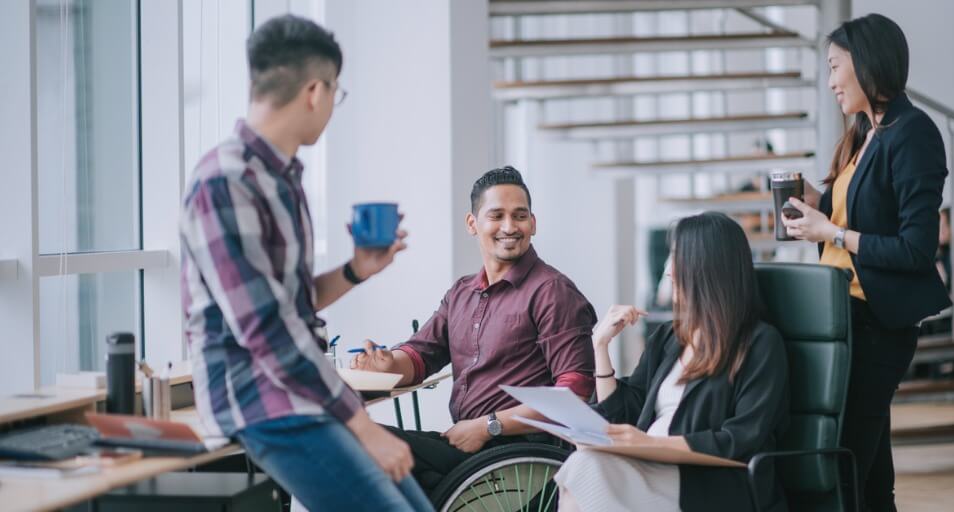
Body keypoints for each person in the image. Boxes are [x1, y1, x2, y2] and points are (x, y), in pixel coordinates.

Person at [179, 15, 431, 512]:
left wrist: (357, 270)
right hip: (263, 403)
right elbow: (266, 329)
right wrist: (362, 425)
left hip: (300, 396)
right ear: (316, 90)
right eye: (336, 93)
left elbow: (289, 302)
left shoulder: (281, 180)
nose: (333, 106)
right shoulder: (225, 182)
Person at [781, 13, 950, 511]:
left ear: (867, 62)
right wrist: (817, 201)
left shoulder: (913, 133)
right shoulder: (864, 133)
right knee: (868, 462)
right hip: (844, 316)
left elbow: (917, 249)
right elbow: (853, 211)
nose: (831, 81)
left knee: (847, 454)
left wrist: (831, 232)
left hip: (876, 324)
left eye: (835, 67)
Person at [350, 166, 598, 494]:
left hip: (514, 453)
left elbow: (575, 395)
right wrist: (388, 364)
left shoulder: (551, 291)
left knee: (359, 441)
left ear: (533, 223)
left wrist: (489, 426)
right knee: (353, 440)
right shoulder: (461, 293)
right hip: (467, 446)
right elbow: (421, 354)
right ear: (473, 224)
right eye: (496, 215)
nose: (509, 227)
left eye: (519, 216)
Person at [554, 212, 790, 512]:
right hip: (648, 466)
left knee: (584, 471)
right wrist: (600, 347)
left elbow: (741, 439)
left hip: (708, 481)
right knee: (584, 465)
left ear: (706, 268)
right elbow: (624, 414)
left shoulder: (759, 343)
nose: (668, 271)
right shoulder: (669, 337)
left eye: (677, 258)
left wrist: (646, 445)